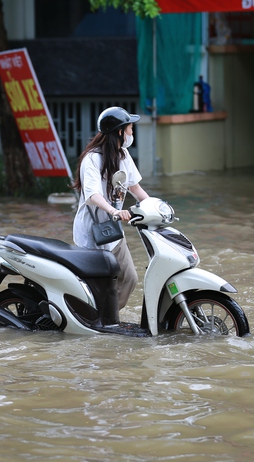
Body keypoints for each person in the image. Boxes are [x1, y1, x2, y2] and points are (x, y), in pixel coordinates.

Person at [71, 106, 150, 310]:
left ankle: (106, 317)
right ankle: (91, 317)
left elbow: (136, 188)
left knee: (130, 277)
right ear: (120, 132)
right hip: (91, 233)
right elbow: (93, 195)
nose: (132, 133)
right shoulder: (92, 158)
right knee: (98, 284)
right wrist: (114, 211)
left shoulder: (123, 155)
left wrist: (156, 207)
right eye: (130, 129)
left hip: (113, 232)